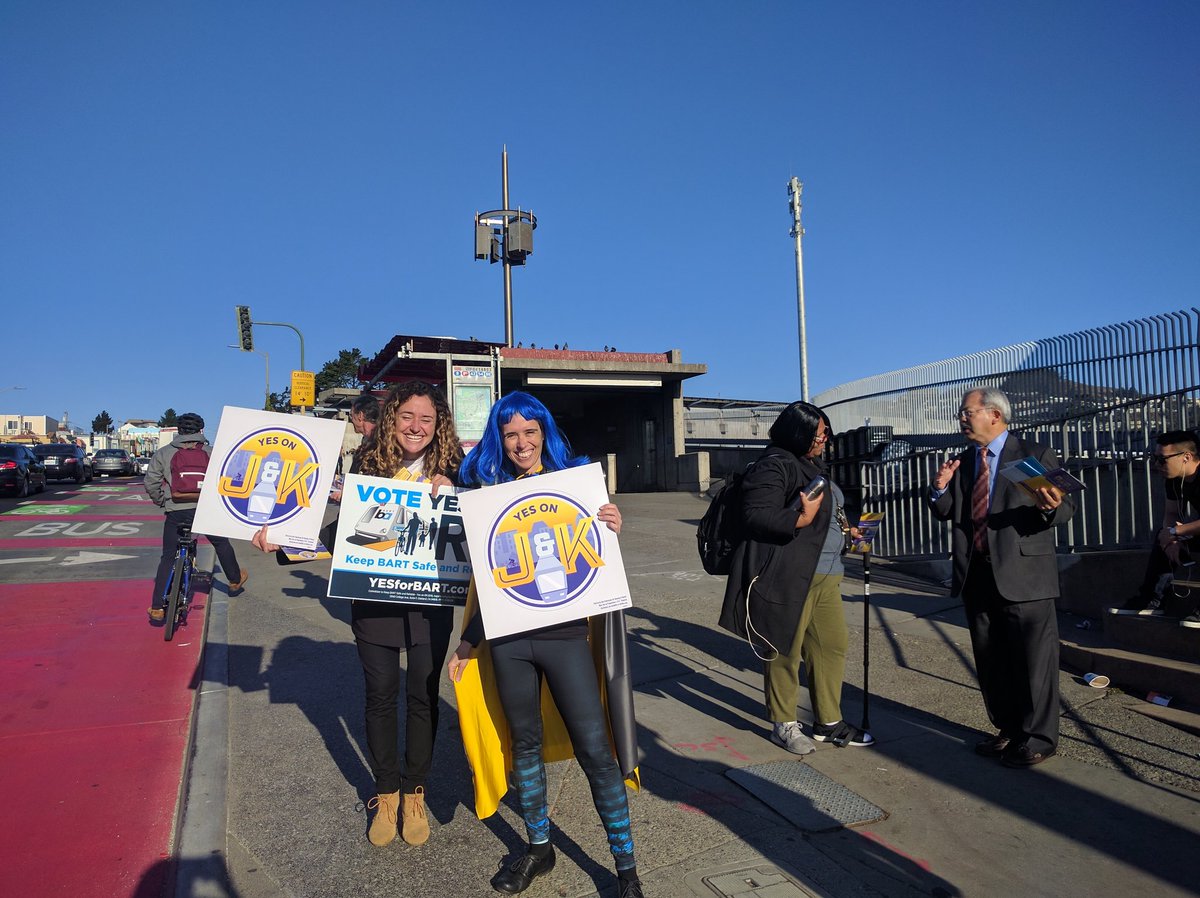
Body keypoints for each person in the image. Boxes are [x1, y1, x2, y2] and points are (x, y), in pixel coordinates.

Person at [447, 392, 644, 898]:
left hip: (564, 638)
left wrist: (611, 530)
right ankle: (539, 847)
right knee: (524, 746)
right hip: (509, 641)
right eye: (511, 434)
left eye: (530, 432)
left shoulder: (574, 487)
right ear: (499, 439)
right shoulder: (489, 494)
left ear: (544, 434)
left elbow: (595, 566)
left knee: (596, 751)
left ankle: (626, 870)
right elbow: (489, 582)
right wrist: (468, 643)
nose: (521, 443)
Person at [252, 381, 462, 848]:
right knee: (381, 695)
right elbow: (341, 531)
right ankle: (386, 792)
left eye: (426, 419)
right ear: (392, 418)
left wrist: (456, 496)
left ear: (439, 424)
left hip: (431, 605)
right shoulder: (368, 464)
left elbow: (483, 525)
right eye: (407, 416)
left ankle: (415, 791)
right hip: (374, 600)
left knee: (424, 697)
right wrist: (283, 541)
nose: (416, 427)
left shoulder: (455, 467)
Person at [929, 387, 1075, 768]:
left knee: (1033, 660)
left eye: (967, 412)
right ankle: (1008, 729)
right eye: (961, 413)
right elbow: (949, 511)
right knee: (991, 659)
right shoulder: (964, 460)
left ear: (994, 414)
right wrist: (939, 487)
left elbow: (1065, 509)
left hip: (1023, 574)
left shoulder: (1033, 454)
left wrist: (1051, 506)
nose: (961, 418)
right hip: (977, 573)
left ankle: (1038, 737)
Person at [717, 401, 873, 755]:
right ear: (798, 433)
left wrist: (852, 534)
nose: (825, 440)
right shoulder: (774, 466)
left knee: (830, 646)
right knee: (783, 650)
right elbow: (755, 514)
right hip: (788, 575)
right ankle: (784, 722)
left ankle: (828, 721)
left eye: (826, 433)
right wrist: (799, 520)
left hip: (828, 575)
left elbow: (829, 516)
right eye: (820, 434)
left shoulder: (814, 464)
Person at [144, 412, 247, 623]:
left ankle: (157, 607)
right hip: (205, 509)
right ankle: (235, 579)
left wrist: (162, 501)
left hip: (176, 510)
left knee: (168, 555)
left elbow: (151, 483)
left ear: (178, 431)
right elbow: (228, 479)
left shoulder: (164, 453)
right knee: (221, 543)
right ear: (201, 431)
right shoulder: (212, 452)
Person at [1108, 431, 1200, 626]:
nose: (1156, 465)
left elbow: (1177, 527)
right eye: (1154, 458)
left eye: (1162, 459)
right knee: (1162, 537)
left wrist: (1176, 532)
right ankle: (1152, 599)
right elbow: (1172, 513)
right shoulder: (1175, 479)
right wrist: (1170, 539)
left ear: (1186, 457)